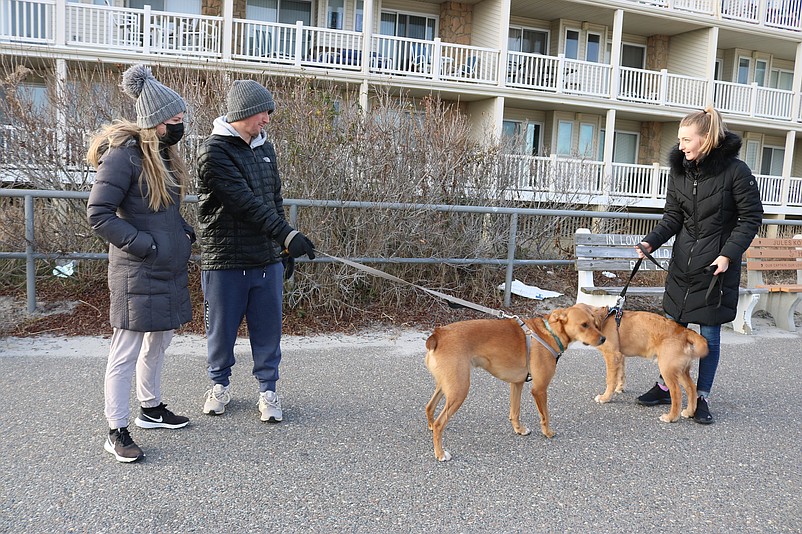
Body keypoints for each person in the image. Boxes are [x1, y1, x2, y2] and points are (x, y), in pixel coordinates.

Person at [87, 64, 194, 463]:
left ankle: (151, 409)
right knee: (126, 348)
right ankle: (115, 429)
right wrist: (146, 246)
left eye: (182, 118)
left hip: (165, 265)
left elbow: (161, 209)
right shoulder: (122, 157)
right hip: (138, 268)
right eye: (175, 120)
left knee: (160, 340)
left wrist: (181, 231)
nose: (181, 125)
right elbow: (99, 214)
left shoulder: (163, 155)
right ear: (155, 122)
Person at [635, 105, 763, 424]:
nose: (680, 146)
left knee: (709, 337)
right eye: (679, 140)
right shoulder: (680, 170)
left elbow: (750, 219)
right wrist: (651, 241)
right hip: (683, 266)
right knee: (672, 333)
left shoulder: (736, 171)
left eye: (686, 139)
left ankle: (701, 396)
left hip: (716, 269)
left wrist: (728, 254)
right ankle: (666, 385)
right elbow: (673, 218)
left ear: (706, 138)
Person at [196, 79, 315, 423]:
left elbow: (273, 200)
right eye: (263, 112)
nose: (267, 119)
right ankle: (219, 385)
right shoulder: (214, 151)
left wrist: (284, 245)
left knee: (268, 331)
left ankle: (268, 390)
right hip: (225, 260)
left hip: (265, 260)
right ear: (245, 112)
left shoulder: (266, 149)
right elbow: (243, 203)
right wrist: (288, 234)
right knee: (221, 332)